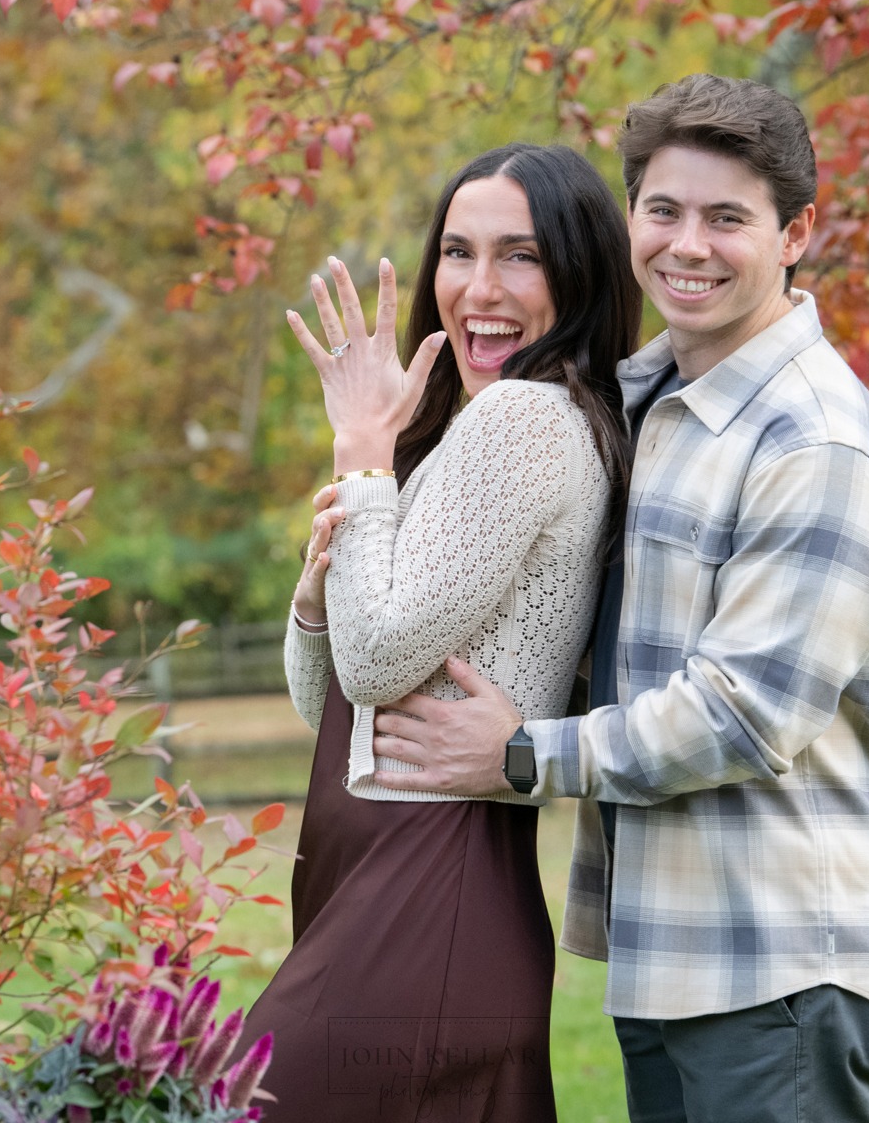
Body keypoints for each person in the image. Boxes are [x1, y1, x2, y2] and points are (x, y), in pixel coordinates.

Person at [366, 74, 869, 1123]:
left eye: (729, 218)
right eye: (664, 211)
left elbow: (747, 711)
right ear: (630, 219)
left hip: (777, 958)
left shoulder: (817, 443)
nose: (689, 246)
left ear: (796, 232)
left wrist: (523, 753)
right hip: (666, 945)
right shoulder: (643, 404)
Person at [242, 142, 641, 1123]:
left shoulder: (522, 420)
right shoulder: (473, 431)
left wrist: (362, 455)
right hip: (389, 885)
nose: (479, 288)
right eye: (458, 252)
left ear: (580, 273)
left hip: (428, 891)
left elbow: (375, 660)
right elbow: (327, 698)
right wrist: (314, 587)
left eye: (521, 256)